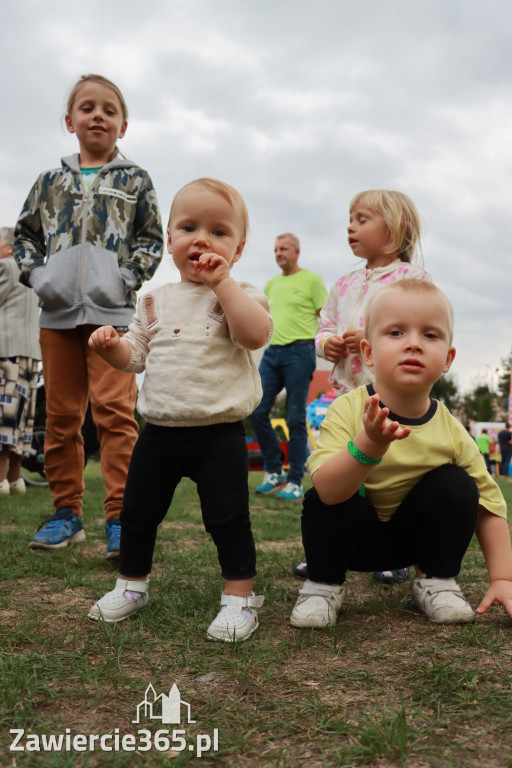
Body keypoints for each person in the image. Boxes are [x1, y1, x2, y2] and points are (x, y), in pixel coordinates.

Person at [87, 178, 272, 642]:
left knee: (227, 517)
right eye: (189, 227)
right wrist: (112, 348)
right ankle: (131, 585)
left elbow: (255, 334)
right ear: (169, 239)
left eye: (219, 232)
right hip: (161, 429)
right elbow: (136, 355)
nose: (202, 240)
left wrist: (223, 283)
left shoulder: (241, 292)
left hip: (220, 431)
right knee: (138, 511)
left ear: (239, 248)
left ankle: (239, 598)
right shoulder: (154, 299)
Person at [290, 279, 512, 629]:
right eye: (395, 333)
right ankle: (323, 585)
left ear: (448, 359)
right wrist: (370, 444)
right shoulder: (348, 409)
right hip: (352, 541)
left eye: (430, 335)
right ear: (367, 353)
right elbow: (327, 492)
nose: (413, 344)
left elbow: (489, 505)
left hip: (413, 545)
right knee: (329, 495)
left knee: (457, 484)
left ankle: (437, 580)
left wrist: (504, 580)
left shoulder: (451, 428)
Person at [14, 74, 163, 556]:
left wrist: (124, 279)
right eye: (87, 107)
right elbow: (24, 238)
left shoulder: (135, 179)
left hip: (112, 319)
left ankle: (121, 516)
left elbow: (151, 239)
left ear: (123, 124)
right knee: (60, 417)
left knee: (116, 415)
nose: (97, 115)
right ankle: (66, 513)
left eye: (108, 109)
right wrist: (39, 278)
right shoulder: (48, 182)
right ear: (70, 120)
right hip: (55, 316)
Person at [295, 190, 430, 582]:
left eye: (362, 219)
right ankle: (327, 551)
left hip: (394, 398)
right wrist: (329, 344)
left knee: (391, 474)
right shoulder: (342, 283)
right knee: (338, 471)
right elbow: (322, 330)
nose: (350, 227)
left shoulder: (412, 279)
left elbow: (418, 326)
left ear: (394, 228)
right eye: (350, 219)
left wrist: (376, 336)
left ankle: (395, 554)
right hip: (346, 398)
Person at [250, 233, 327, 501]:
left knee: (295, 418)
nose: (279, 253)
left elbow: (326, 317)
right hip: (272, 353)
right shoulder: (270, 285)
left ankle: (295, 480)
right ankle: (273, 471)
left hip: (300, 352)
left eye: (284, 249)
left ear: (296, 251)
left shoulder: (312, 281)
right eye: (275, 249)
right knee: (256, 408)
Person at [0, 227, 41, 495]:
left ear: (8, 247)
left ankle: (0, 480)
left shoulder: (5, 267)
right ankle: (15, 479)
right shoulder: (33, 273)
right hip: (30, 351)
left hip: (6, 348)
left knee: (4, 417)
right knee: (22, 417)